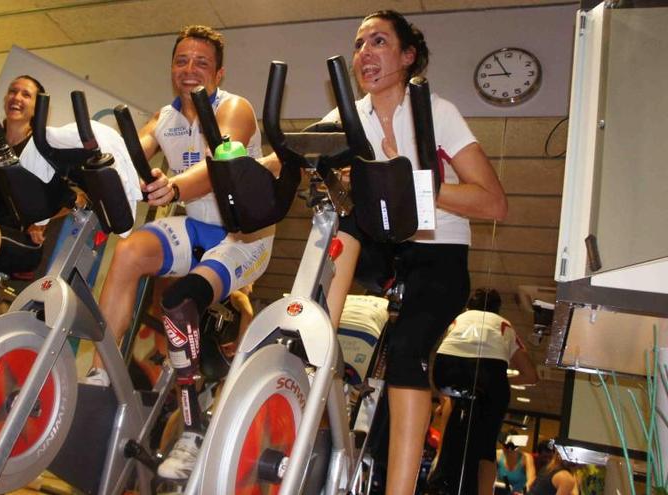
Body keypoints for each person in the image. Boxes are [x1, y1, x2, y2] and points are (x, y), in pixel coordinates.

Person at [309, 11, 509, 495]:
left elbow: (493, 201)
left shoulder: (436, 111)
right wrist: (240, 161)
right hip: (383, 248)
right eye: (359, 44)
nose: (364, 53)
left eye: (378, 41)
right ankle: (316, 340)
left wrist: (420, 188)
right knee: (343, 208)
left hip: (439, 251)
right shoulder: (349, 115)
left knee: (406, 353)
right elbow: (294, 152)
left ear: (407, 56)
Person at [87, 25, 274, 481]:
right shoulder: (163, 118)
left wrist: (170, 186)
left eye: (201, 63)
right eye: (182, 61)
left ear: (219, 72)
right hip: (194, 228)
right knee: (129, 251)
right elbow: (132, 160)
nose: (189, 71)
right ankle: (101, 374)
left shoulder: (234, 108)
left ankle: (192, 433)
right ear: (173, 68)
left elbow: (215, 165)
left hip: (242, 236)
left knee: (180, 301)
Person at [0, 75, 140, 347]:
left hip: (20, 244)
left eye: (26, 94)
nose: (17, 97)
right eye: (13, 91)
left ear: (38, 107)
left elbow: (77, 198)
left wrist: (43, 220)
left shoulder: (43, 146)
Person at [430, 288, 538, 494]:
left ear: (469, 306)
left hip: (445, 370)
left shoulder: (459, 319)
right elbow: (531, 376)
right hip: (489, 375)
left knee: (451, 401)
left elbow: (450, 352)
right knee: (486, 447)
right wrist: (500, 381)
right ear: (497, 309)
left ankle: (441, 461)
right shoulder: (504, 324)